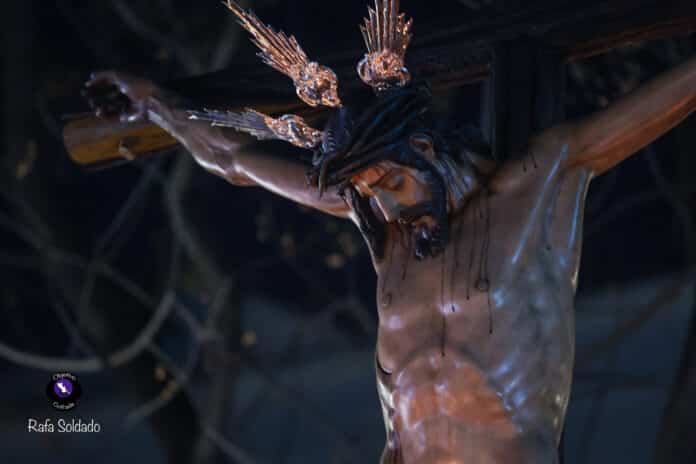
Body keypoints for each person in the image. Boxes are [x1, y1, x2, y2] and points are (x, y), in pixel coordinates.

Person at [82, 1, 696, 462]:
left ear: (424, 151)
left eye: (392, 182)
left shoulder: (537, 184)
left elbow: (651, 108)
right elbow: (235, 160)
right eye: (370, 191)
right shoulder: (382, 227)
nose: (386, 203)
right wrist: (154, 103)